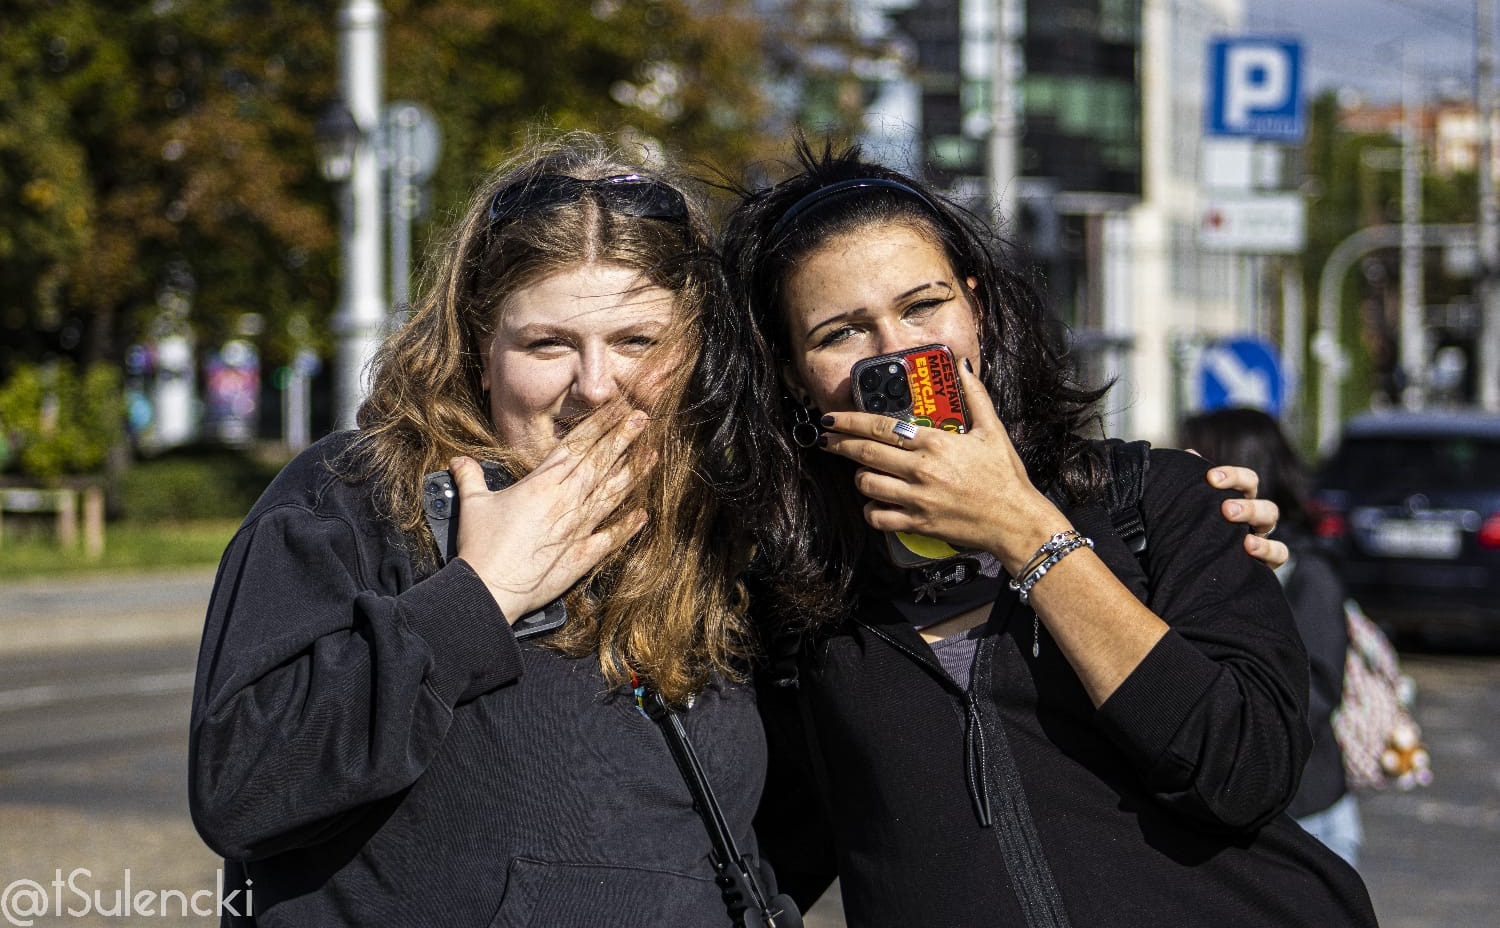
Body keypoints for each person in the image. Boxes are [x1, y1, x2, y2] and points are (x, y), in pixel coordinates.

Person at [722, 140, 1378, 927]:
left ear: (978, 310)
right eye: (841, 333)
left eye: (923, 306)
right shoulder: (797, 596)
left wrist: (1027, 533)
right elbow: (751, 860)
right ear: (792, 370)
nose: (896, 353)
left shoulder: (1152, 498)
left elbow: (1245, 771)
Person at [188, 133, 778, 926]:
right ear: (478, 347)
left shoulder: (716, 531)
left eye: (638, 341)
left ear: (698, 350)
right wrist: (479, 596)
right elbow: (241, 788)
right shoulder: (356, 498)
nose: (595, 387)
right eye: (547, 344)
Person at [1180, 406, 1362, 870]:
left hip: (1305, 814)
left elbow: (1316, 694)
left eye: (1197, 456)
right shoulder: (1199, 562)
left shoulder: (1306, 568)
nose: (1178, 467)